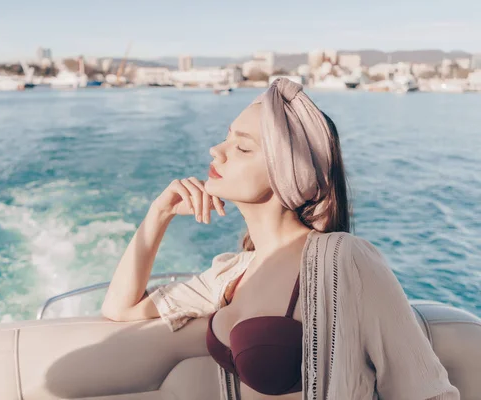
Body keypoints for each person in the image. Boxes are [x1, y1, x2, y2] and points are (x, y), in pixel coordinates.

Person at [101, 78, 460, 400]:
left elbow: (426, 391)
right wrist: (158, 215)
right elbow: (121, 309)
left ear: (289, 172)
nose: (217, 150)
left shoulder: (343, 259)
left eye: (242, 148)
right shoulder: (232, 272)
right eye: (226, 137)